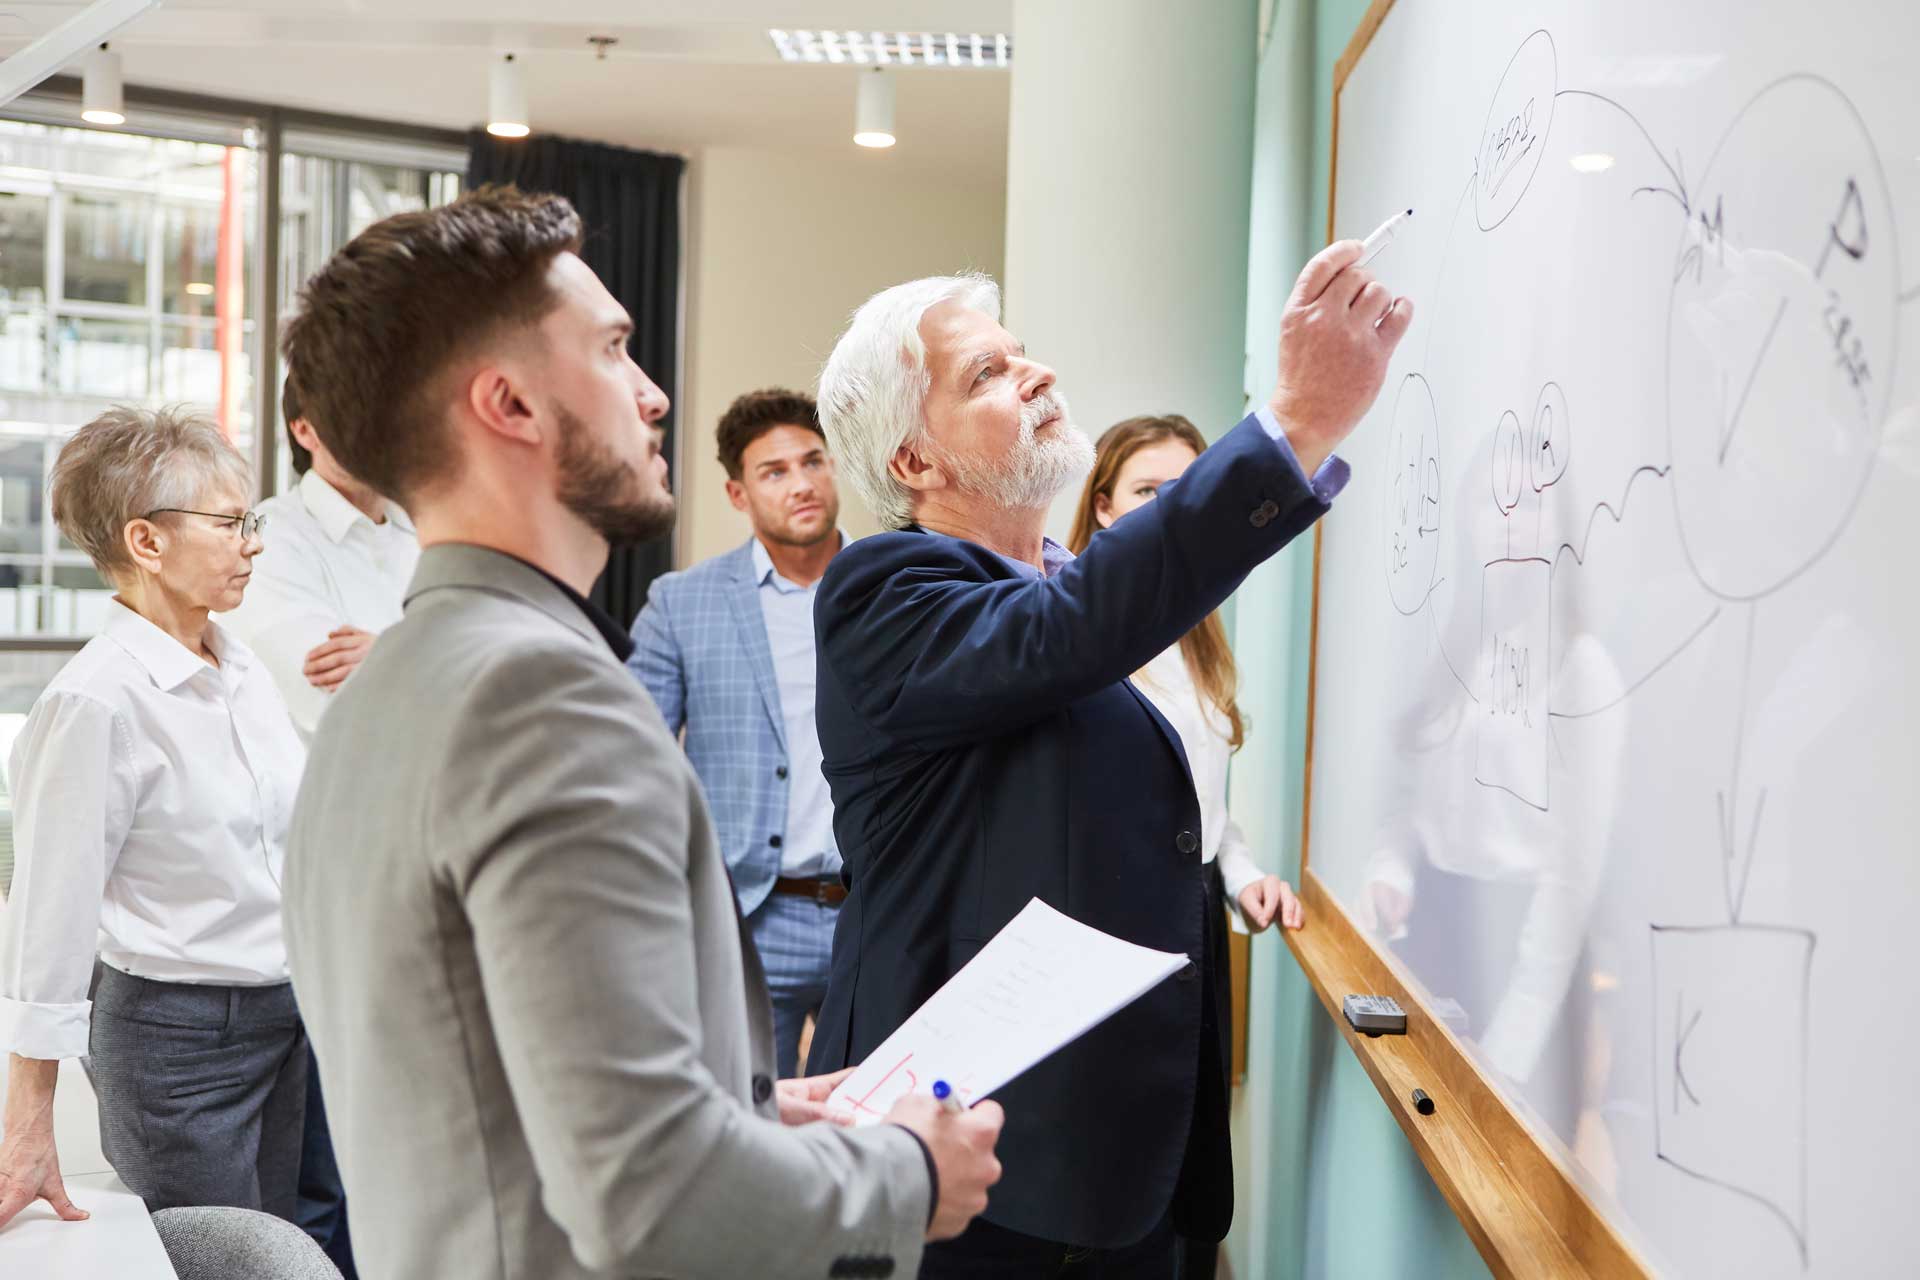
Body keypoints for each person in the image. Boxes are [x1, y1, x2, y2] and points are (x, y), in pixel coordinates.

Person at [276, 185, 1003, 1280]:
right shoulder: (539, 696)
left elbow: (509, 1100)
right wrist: (909, 1171)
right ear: (511, 404)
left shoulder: (397, 680)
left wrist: (750, 1110)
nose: (653, 394)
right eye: (614, 349)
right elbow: (652, 1197)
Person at [806, 243, 1410, 1275]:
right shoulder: (884, 591)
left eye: (1022, 354)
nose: (1035, 374)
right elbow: (1072, 627)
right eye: (987, 375)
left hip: (1118, 1159)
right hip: (982, 1163)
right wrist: (1292, 426)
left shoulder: (1064, 586)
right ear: (914, 463)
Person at [0, 408, 309, 1229]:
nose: (252, 542)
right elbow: (50, 920)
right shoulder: (95, 702)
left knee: (281, 1251)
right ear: (146, 542)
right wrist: (27, 1120)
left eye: (252, 521)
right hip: (178, 1045)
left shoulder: (243, 672)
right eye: (230, 522)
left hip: (286, 1021)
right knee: (219, 1256)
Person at [1064, 413, 1307, 1279]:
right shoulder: (1080, 631)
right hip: (1112, 917)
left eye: (1187, 492)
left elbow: (1206, 806)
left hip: (1196, 913)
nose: (1171, 509)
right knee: (1117, 1152)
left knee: (1188, 1143)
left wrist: (1243, 879)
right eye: (1147, 492)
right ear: (1100, 508)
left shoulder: (1201, 633)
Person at [218, 373, 419, 1278]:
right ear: (303, 427)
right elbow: (323, 687)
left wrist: (398, 649)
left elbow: (501, 656)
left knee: (415, 1146)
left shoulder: (425, 526)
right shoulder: (273, 538)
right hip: (332, 885)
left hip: (432, 868)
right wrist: (434, 649)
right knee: (325, 1168)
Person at [629, 388, 848, 1077]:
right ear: (737, 493)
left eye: (812, 461)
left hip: (873, 908)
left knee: (876, 1123)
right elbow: (637, 760)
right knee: (752, 1126)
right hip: (749, 917)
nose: (801, 484)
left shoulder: (892, 584)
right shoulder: (682, 603)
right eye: (773, 472)